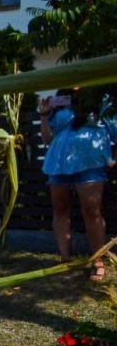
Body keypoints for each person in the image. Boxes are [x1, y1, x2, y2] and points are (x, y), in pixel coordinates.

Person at [39, 88, 116, 281]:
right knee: (60, 209)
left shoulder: (102, 98)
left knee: (92, 210)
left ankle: (98, 260)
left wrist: (114, 159)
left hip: (91, 162)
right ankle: (65, 260)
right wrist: (44, 115)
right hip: (58, 163)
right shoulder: (60, 102)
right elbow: (48, 139)